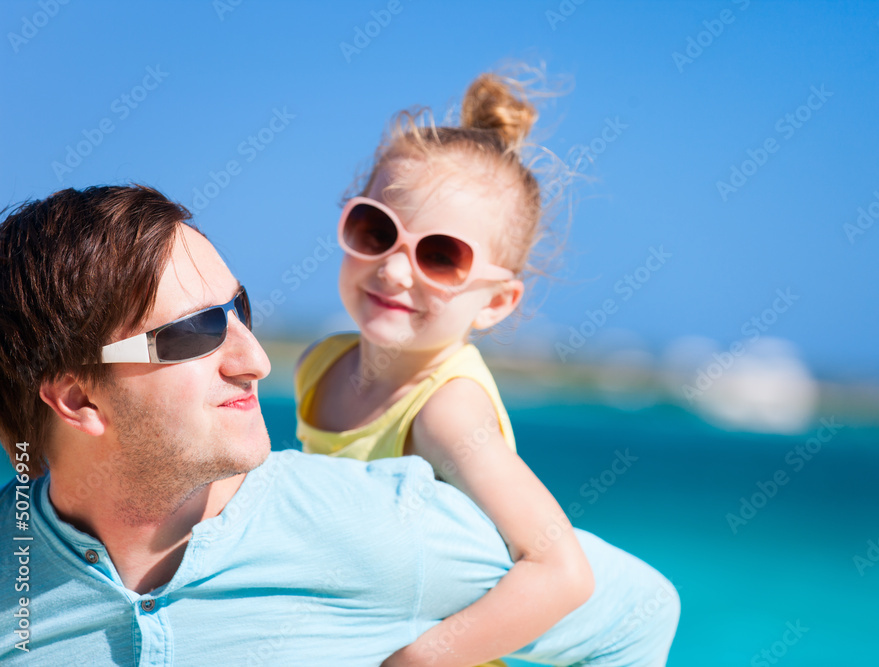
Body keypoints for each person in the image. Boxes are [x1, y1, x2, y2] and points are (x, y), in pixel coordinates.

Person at [0, 185, 679, 665]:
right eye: (198, 331)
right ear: (77, 400)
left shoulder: (382, 528)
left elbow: (637, 613)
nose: (256, 360)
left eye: (240, 309)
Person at [295, 72, 676, 667]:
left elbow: (560, 568)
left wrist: (415, 661)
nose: (396, 272)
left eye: (440, 256)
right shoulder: (320, 366)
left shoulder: (447, 410)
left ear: (497, 301)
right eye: (377, 231)